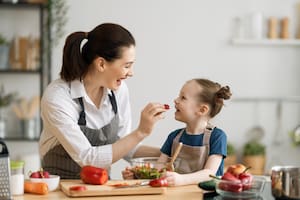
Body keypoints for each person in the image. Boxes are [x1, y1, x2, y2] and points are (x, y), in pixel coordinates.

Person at [39, 23, 168, 179]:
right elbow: (88, 159)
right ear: (101, 63)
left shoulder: (118, 91)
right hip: (60, 189)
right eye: (127, 66)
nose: (131, 73)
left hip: (101, 187)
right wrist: (141, 132)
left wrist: (167, 151)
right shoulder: (58, 97)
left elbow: (125, 146)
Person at [123, 78, 232, 186]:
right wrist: (137, 176)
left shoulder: (217, 137)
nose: (176, 100)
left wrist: (182, 180)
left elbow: (209, 173)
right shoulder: (174, 137)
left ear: (202, 110)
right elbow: (159, 169)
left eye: (183, 97)